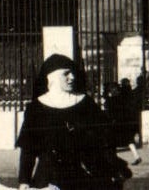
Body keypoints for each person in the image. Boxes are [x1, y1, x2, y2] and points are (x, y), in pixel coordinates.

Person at [17, 53, 131, 190]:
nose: (72, 77)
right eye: (66, 74)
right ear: (51, 77)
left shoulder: (86, 103)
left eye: (73, 73)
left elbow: (105, 142)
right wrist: (24, 180)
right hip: (49, 178)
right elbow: (28, 149)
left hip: (86, 176)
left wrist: (112, 168)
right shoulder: (36, 108)